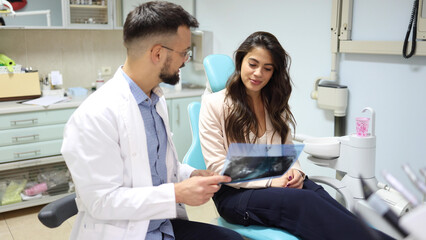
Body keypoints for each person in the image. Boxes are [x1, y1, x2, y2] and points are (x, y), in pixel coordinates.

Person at [61, 2, 244, 240]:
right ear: (158, 53)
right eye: (183, 53)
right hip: (126, 233)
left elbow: (160, 170)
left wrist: (190, 175)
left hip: (162, 225)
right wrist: (176, 194)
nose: (186, 60)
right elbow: (102, 202)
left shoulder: (155, 99)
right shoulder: (94, 116)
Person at [199, 31, 394, 240]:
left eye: (267, 68)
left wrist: (297, 173)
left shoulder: (273, 103)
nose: (258, 73)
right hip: (235, 194)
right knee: (305, 202)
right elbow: (218, 166)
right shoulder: (214, 104)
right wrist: (270, 182)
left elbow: (287, 150)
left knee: (319, 195)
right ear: (241, 61)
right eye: (253, 64)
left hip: (278, 180)